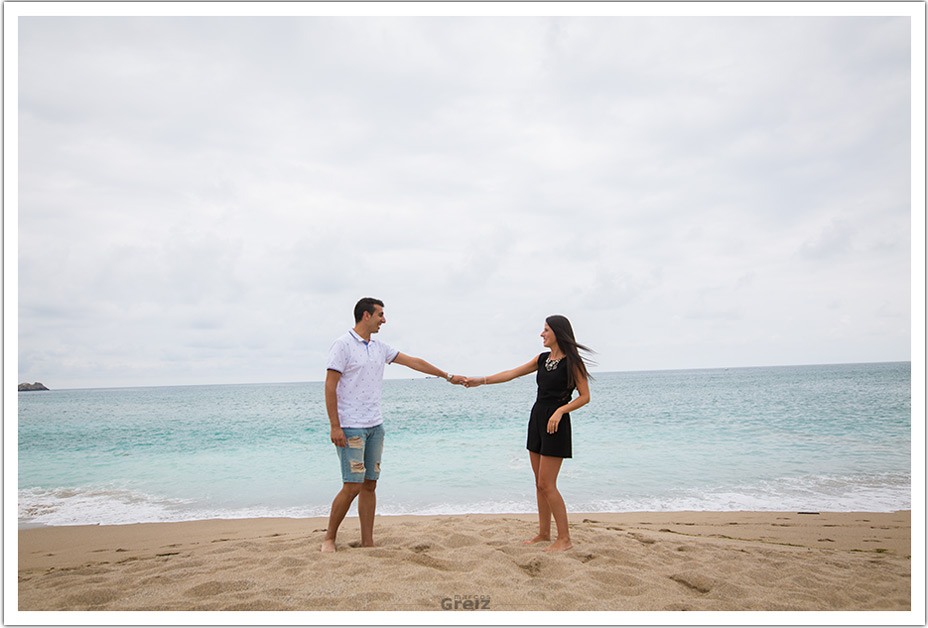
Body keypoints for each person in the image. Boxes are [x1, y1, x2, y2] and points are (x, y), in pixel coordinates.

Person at [322, 297, 464, 552]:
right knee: (352, 484)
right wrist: (335, 426)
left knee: (369, 484)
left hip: (375, 426)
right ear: (366, 315)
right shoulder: (342, 345)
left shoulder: (379, 347)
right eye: (380, 315)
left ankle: (368, 541)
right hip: (351, 426)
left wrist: (447, 376)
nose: (383, 320)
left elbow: (413, 362)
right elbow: (330, 385)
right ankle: (329, 538)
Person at [464, 315, 592, 552]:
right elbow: (511, 374)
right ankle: (544, 533)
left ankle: (565, 539)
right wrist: (479, 381)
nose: (541, 334)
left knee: (547, 484)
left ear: (557, 333)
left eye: (545, 330)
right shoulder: (542, 359)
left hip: (556, 423)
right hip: (537, 419)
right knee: (539, 483)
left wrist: (561, 411)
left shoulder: (573, 363)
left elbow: (585, 397)